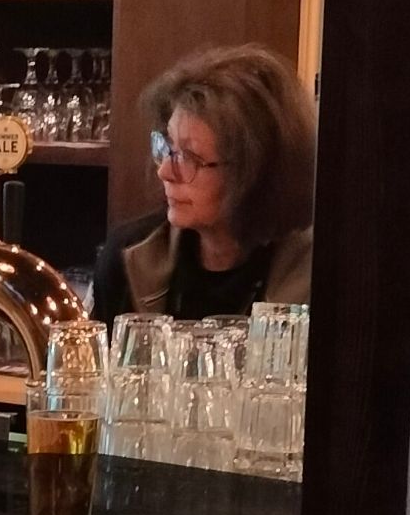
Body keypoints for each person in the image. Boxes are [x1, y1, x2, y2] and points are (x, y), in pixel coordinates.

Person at [90, 41, 316, 322]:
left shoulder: (316, 273)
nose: (165, 172)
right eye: (167, 147)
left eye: (190, 157)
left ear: (256, 172)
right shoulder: (129, 256)